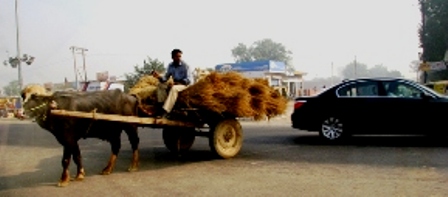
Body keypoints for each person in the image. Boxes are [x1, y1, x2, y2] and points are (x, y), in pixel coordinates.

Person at [152, 49, 190, 118]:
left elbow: (189, 80)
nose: (179, 58)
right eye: (177, 56)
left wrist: (177, 83)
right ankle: (162, 105)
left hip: (184, 86)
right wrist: (158, 77)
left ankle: (166, 111)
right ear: (173, 57)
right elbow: (165, 78)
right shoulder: (170, 65)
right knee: (160, 85)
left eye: (180, 56)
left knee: (174, 88)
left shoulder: (185, 66)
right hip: (175, 84)